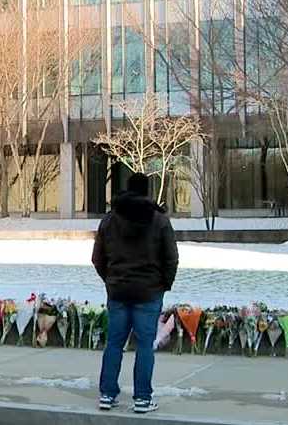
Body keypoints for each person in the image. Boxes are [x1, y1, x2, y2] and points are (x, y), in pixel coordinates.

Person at [92, 172, 179, 414]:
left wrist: (110, 280)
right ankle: (142, 398)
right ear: (147, 190)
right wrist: (163, 284)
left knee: (114, 344)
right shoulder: (159, 220)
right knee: (144, 346)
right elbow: (171, 258)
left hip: (118, 291)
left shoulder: (109, 220)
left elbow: (97, 257)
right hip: (149, 292)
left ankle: (107, 395)